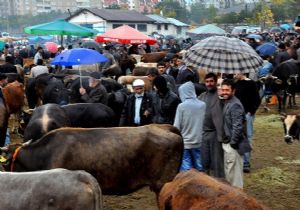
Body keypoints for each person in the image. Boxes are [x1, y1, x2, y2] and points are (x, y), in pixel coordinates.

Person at [220, 79, 252, 188]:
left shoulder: (235, 105)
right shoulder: (227, 102)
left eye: (227, 90)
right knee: (230, 174)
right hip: (229, 144)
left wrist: (232, 143)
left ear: (233, 91)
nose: (224, 92)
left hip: (234, 146)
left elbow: (237, 126)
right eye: (222, 90)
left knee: (235, 178)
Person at [174, 81, 206, 172]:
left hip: (185, 143)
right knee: (199, 167)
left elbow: (176, 126)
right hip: (199, 141)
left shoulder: (181, 106)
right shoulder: (202, 105)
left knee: (186, 170)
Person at [198, 73, 225, 178]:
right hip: (204, 133)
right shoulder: (201, 96)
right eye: (207, 81)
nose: (209, 84)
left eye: (211, 81)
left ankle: (220, 187)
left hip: (216, 134)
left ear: (215, 82)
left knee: (217, 164)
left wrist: (222, 97)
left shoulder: (221, 96)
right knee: (204, 163)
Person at [234, 73, 261, 173]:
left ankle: (246, 162)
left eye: (236, 71)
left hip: (247, 115)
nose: (234, 73)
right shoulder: (235, 84)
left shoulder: (251, 84)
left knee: (247, 137)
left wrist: (251, 112)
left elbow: (257, 99)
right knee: (236, 136)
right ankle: (239, 161)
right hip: (236, 115)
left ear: (242, 72)